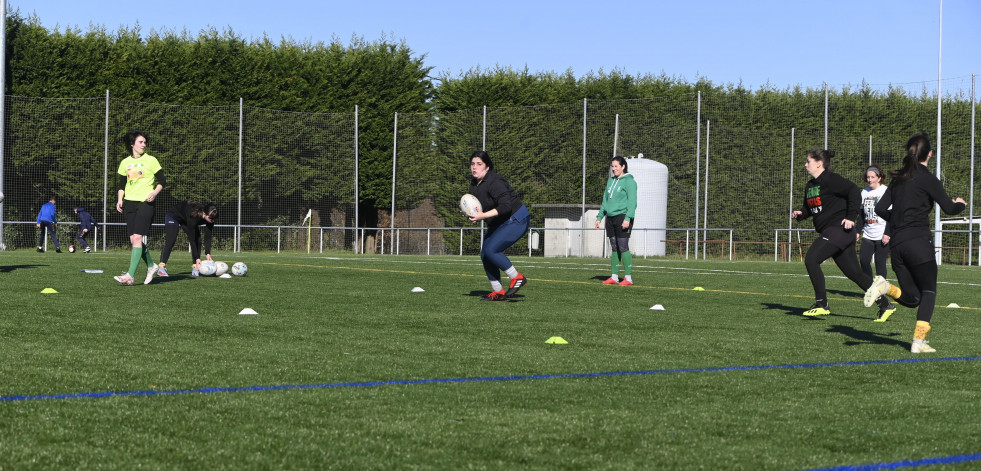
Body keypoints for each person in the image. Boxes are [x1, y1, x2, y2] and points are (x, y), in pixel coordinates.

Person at [864, 133, 966, 353]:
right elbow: (949, 208)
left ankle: (885, 287)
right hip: (918, 242)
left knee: (913, 298)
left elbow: (881, 209)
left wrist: (898, 221)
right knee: (929, 292)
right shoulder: (929, 178)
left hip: (897, 246)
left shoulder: (898, 178)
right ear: (929, 154)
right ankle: (918, 343)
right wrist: (961, 205)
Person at [791, 149, 895, 319]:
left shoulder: (831, 179)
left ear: (818, 164)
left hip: (838, 229)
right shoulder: (810, 185)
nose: (805, 164)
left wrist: (850, 217)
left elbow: (853, 191)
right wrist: (801, 214)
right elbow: (810, 208)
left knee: (811, 259)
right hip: (834, 232)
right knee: (855, 273)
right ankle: (886, 305)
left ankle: (821, 303)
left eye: (808, 161)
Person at [467, 150, 530, 301]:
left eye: (479, 164)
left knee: (491, 250)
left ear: (487, 167)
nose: (474, 167)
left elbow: (506, 207)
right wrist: (471, 213)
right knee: (485, 254)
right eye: (472, 164)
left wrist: (482, 216)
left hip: (516, 218)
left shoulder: (495, 181)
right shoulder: (474, 185)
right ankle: (498, 291)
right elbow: (480, 207)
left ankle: (517, 277)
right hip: (499, 222)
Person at [114, 130, 166, 286]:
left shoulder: (151, 160)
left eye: (145, 142)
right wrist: (119, 199)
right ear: (132, 144)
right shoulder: (125, 163)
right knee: (133, 240)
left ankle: (130, 275)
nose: (144, 144)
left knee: (137, 238)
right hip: (129, 203)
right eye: (140, 142)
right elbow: (122, 185)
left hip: (145, 203)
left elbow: (162, 180)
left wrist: (154, 193)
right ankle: (151, 266)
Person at [594, 156, 637, 285]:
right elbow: (605, 201)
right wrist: (599, 217)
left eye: (616, 166)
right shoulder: (610, 181)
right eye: (612, 166)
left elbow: (632, 202)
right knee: (614, 246)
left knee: (623, 246)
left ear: (623, 166)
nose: (614, 169)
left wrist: (628, 218)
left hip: (622, 217)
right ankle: (614, 277)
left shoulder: (630, 182)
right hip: (610, 218)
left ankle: (628, 278)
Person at [157, 200, 218, 277]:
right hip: (174, 216)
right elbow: (191, 239)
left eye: (214, 219)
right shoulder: (193, 215)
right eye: (211, 218)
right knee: (171, 240)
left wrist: (208, 253)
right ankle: (161, 267)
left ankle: (195, 268)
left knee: (198, 240)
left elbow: (208, 237)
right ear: (205, 213)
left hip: (185, 219)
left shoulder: (211, 219)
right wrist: (197, 258)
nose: (212, 221)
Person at [859, 165, 890, 281]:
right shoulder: (864, 192)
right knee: (863, 260)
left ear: (879, 178)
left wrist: (887, 233)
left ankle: (880, 290)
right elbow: (862, 215)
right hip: (868, 234)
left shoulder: (886, 191)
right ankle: (869, 285)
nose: (869, 179)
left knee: (879, 262)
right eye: (868, 177)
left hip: (882, 234)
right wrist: (857, 231)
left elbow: (891, 215)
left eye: (872, 177)